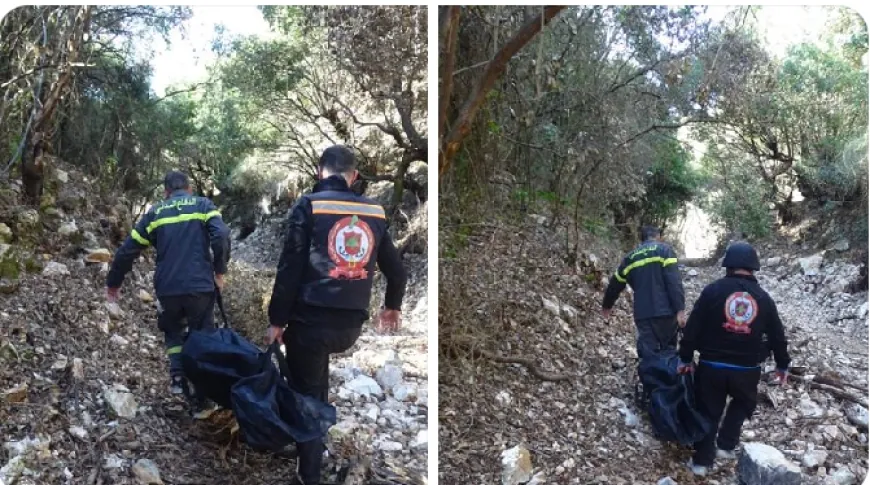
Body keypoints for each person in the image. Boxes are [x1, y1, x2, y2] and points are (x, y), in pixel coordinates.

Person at [266, 145, 407, 485]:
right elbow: (397, 270)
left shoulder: (309, 205)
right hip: (350, 326)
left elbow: (290, 268)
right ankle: (314, 444)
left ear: (320, 171)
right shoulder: (375, 212)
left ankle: (309, 473)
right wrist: (392, 306)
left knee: (306, 394)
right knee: (316, 379)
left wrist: (276, 320)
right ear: (354, 175)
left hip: (309, 322)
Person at [106, 171, 230, 398]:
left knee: (173, 331)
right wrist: (220, 271)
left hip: (168, 288)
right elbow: (221, 234)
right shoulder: (203, 205)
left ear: (166, 192)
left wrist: (114, 283)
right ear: (189, 189)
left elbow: (127, 251)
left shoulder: (156, 213)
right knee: (202, 335)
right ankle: (203, 399)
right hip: (200, 287)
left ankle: (178, 376)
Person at [677, 241, 790, 476]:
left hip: (712, 366)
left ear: (727, 265)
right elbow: (778, 335)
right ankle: (726, 445)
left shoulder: (712, 291)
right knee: (744, 403)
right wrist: (782, 364)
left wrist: (685, 358)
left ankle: (701, 464)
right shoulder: (764, 298)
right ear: (753, 267)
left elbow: (693, 328)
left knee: (708, 412)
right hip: (747, 370)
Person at [601, 225, 686, 364]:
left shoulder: (630, 258)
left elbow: (615, 284)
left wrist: (607, 305)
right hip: (667, 313)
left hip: (643, 314)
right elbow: (674, 282)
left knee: (649, 354)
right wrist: (680, 309)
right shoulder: (665, 251)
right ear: (658, 237)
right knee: (669, 351)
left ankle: (651, 383)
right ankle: (669, 380)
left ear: (642, 239)